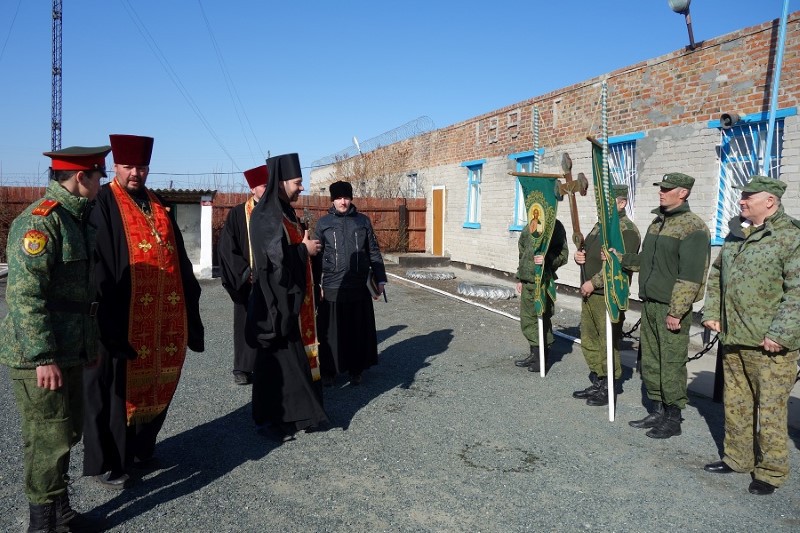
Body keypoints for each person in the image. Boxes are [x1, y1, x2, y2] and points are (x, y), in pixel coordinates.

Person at [83, 134, 204, 489]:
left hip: (162, 318)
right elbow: (99, 264)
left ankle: (141, 447)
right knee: (114, 391)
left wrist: (189, 301)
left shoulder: (157, 202)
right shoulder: (103, 203)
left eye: (142, 167)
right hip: (121, 317)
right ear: (115, 167)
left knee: (156, 383)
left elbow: (178, 256)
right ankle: (110, 462)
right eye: (128, 167)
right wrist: (107, 317)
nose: (135, 173)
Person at [0, 145, 110, 532]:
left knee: (67, 431)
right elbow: (25, 297)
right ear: (82, 177)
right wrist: (43, 356)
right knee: (47, 437)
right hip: (42, 355)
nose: (101, 185)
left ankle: (60, 513)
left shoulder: (74, 219)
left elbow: (81, 296)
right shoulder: (40, 222)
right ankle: (43, 524)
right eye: (99, 176)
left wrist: (88, 345)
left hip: (70, 349)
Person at [701, 176, 800, 495]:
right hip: (734, 337)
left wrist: (780, 333)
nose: (741, 201)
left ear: (770, 201)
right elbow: (717, 274)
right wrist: (712, 312)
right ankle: (738, 458)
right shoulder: (737, 232)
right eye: (741, 195)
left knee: (769, 410)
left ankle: (771, 471)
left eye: (748, 197)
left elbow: (797, 291)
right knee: (736, 403)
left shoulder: (791, 236)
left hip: (769, 345)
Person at [620, 173, 710, 439]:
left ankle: (673, 417)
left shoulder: (693, 227)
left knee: (670, 363)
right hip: (650, 303)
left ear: (683, 193)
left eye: (668, 189)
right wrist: (619, 258)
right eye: (661, 187)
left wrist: (676, 311)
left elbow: (691, 276)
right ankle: (657, 410)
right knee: (651, 360)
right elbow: (646, 260)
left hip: (671, 307)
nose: (662, 192)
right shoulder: (657, 223)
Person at [246, 153, 329, 439]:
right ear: (281, 183)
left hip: (291, 300)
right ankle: (270, 421)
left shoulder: (284, 211)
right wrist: (304, 250)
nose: (302, 187)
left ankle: (296, 417)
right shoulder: (267, 215)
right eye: (297, 182)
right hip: (275, 304)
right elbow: (274, 264)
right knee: (274, 365)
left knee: (290, 364)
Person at [572, 184, 641, 406]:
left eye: (607, 203)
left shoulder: (627, 230)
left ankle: (609, 386)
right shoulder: (600, 225)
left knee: (607, 342)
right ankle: (598, 379)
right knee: (589, 339)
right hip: (590, 293)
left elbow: (620, 264)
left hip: (607, 295)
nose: (601, 207)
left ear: (622, 203)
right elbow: (588, 251)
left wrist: (594, 283)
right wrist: (579, 256)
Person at [315, 180, 387, 386]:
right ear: (332, 200)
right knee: (331, 334)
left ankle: (356, 369)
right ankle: (329, 370)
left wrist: (380, 279)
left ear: (351, 198)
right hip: (332, 286)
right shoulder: (323, 223)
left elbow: (373, 251)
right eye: (338, 198)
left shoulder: (362, 221)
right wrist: (316, 284)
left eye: (346, 197)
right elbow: (316, 257)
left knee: (357, 331)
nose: (343, 202)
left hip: (358, 286)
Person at [218, 165, 268, 385]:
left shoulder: (277, 212)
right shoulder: (238, 214)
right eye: (264, 186)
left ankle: (268, 365)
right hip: (247, 281)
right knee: (245, 323)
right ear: (252, 188)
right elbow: (227, 248)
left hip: (271, 280)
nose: (267, 190)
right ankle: (243, 368)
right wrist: (245, 272)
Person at [514, 216, 569, 372]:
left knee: (542, 318)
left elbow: (563, 255)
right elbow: (522, 253)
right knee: (528, 320)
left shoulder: (555, 226)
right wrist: (520, 277)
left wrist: (547, 259)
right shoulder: (529, 226)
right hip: (527, 281)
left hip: (542, 281)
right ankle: (534, 354)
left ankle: (542, 358)